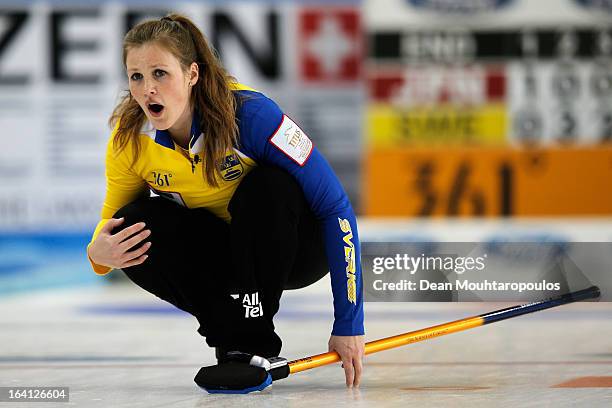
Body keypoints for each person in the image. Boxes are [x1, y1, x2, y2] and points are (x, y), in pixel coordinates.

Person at [86, 13, 364, 390]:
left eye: (160, 74)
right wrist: (98, 255)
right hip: (228, 256)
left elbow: (336, 210)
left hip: (296, 250)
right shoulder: (130, 139)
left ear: (192, 74)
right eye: (136, 76)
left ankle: (254, 332)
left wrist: (348, 324)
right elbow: (110, 228)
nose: (147, 89)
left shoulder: (251, 116)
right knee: (136, 220)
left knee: (267, 186)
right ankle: (236, 343)